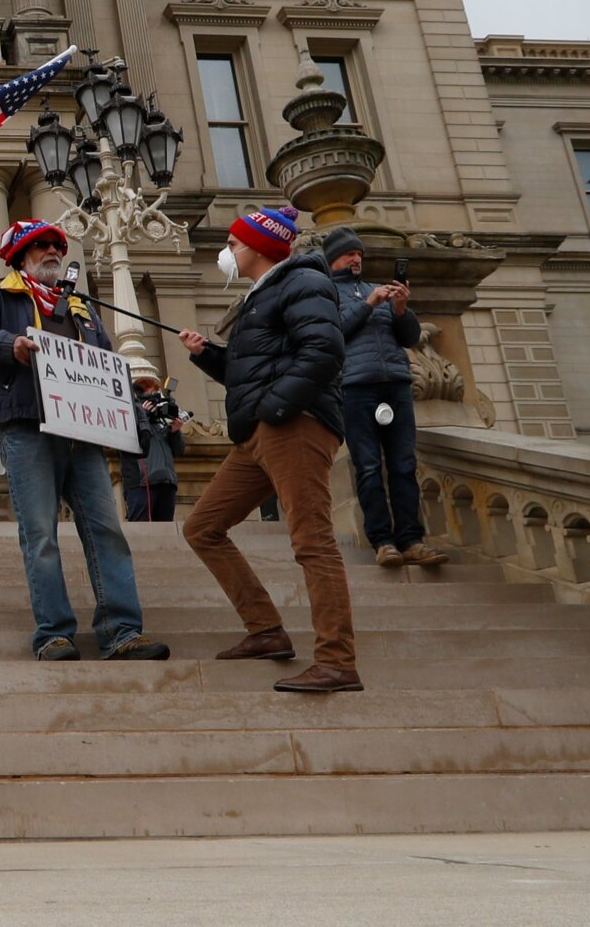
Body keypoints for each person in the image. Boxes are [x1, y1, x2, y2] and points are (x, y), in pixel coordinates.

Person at [0, 220, 169, 663]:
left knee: (107, 532)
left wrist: (138, 429)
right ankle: (53, 633)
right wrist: (10, 345)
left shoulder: (80, 308)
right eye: (41, 246)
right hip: (27, 429)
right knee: (41, 536)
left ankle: (121, 630)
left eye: (57, 245)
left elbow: (110, 368)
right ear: (20, 256)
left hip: (84, 435)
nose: (52, 251)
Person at [179, 205, 362, 693]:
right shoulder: (265, 294)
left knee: (312, 540)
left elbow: (324, 350)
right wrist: (208, 356)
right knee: (203, 527)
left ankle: (338, 661)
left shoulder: (302, 282)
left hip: (293, 427)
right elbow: (257, 372)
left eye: (234, 244)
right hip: (260, 433)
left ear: (259, 247)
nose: (228, 252)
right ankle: (265, 630)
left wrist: (277, 408)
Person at [323, 227, 447, 569]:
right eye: (350, 254)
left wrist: (401, 308)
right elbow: (333, 333)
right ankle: (383, 541)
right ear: (334, 258)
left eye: (359, 253)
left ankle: (412, 540)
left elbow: (408, 338)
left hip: (396, 381)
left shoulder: (378, 286)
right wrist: (369, 304)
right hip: (356, 386)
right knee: (368, 466)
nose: (357, 259)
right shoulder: (325, 292)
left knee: (404, 465)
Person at [121, 372, 186, 522]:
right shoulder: (130, 418)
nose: (157, 399)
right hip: (141, 484)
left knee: (166, 532)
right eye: (153, 394)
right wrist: (142, 416)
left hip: (167, 483)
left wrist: (175, 432)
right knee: (141, 532)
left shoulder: (161, 422)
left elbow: (178, 451)